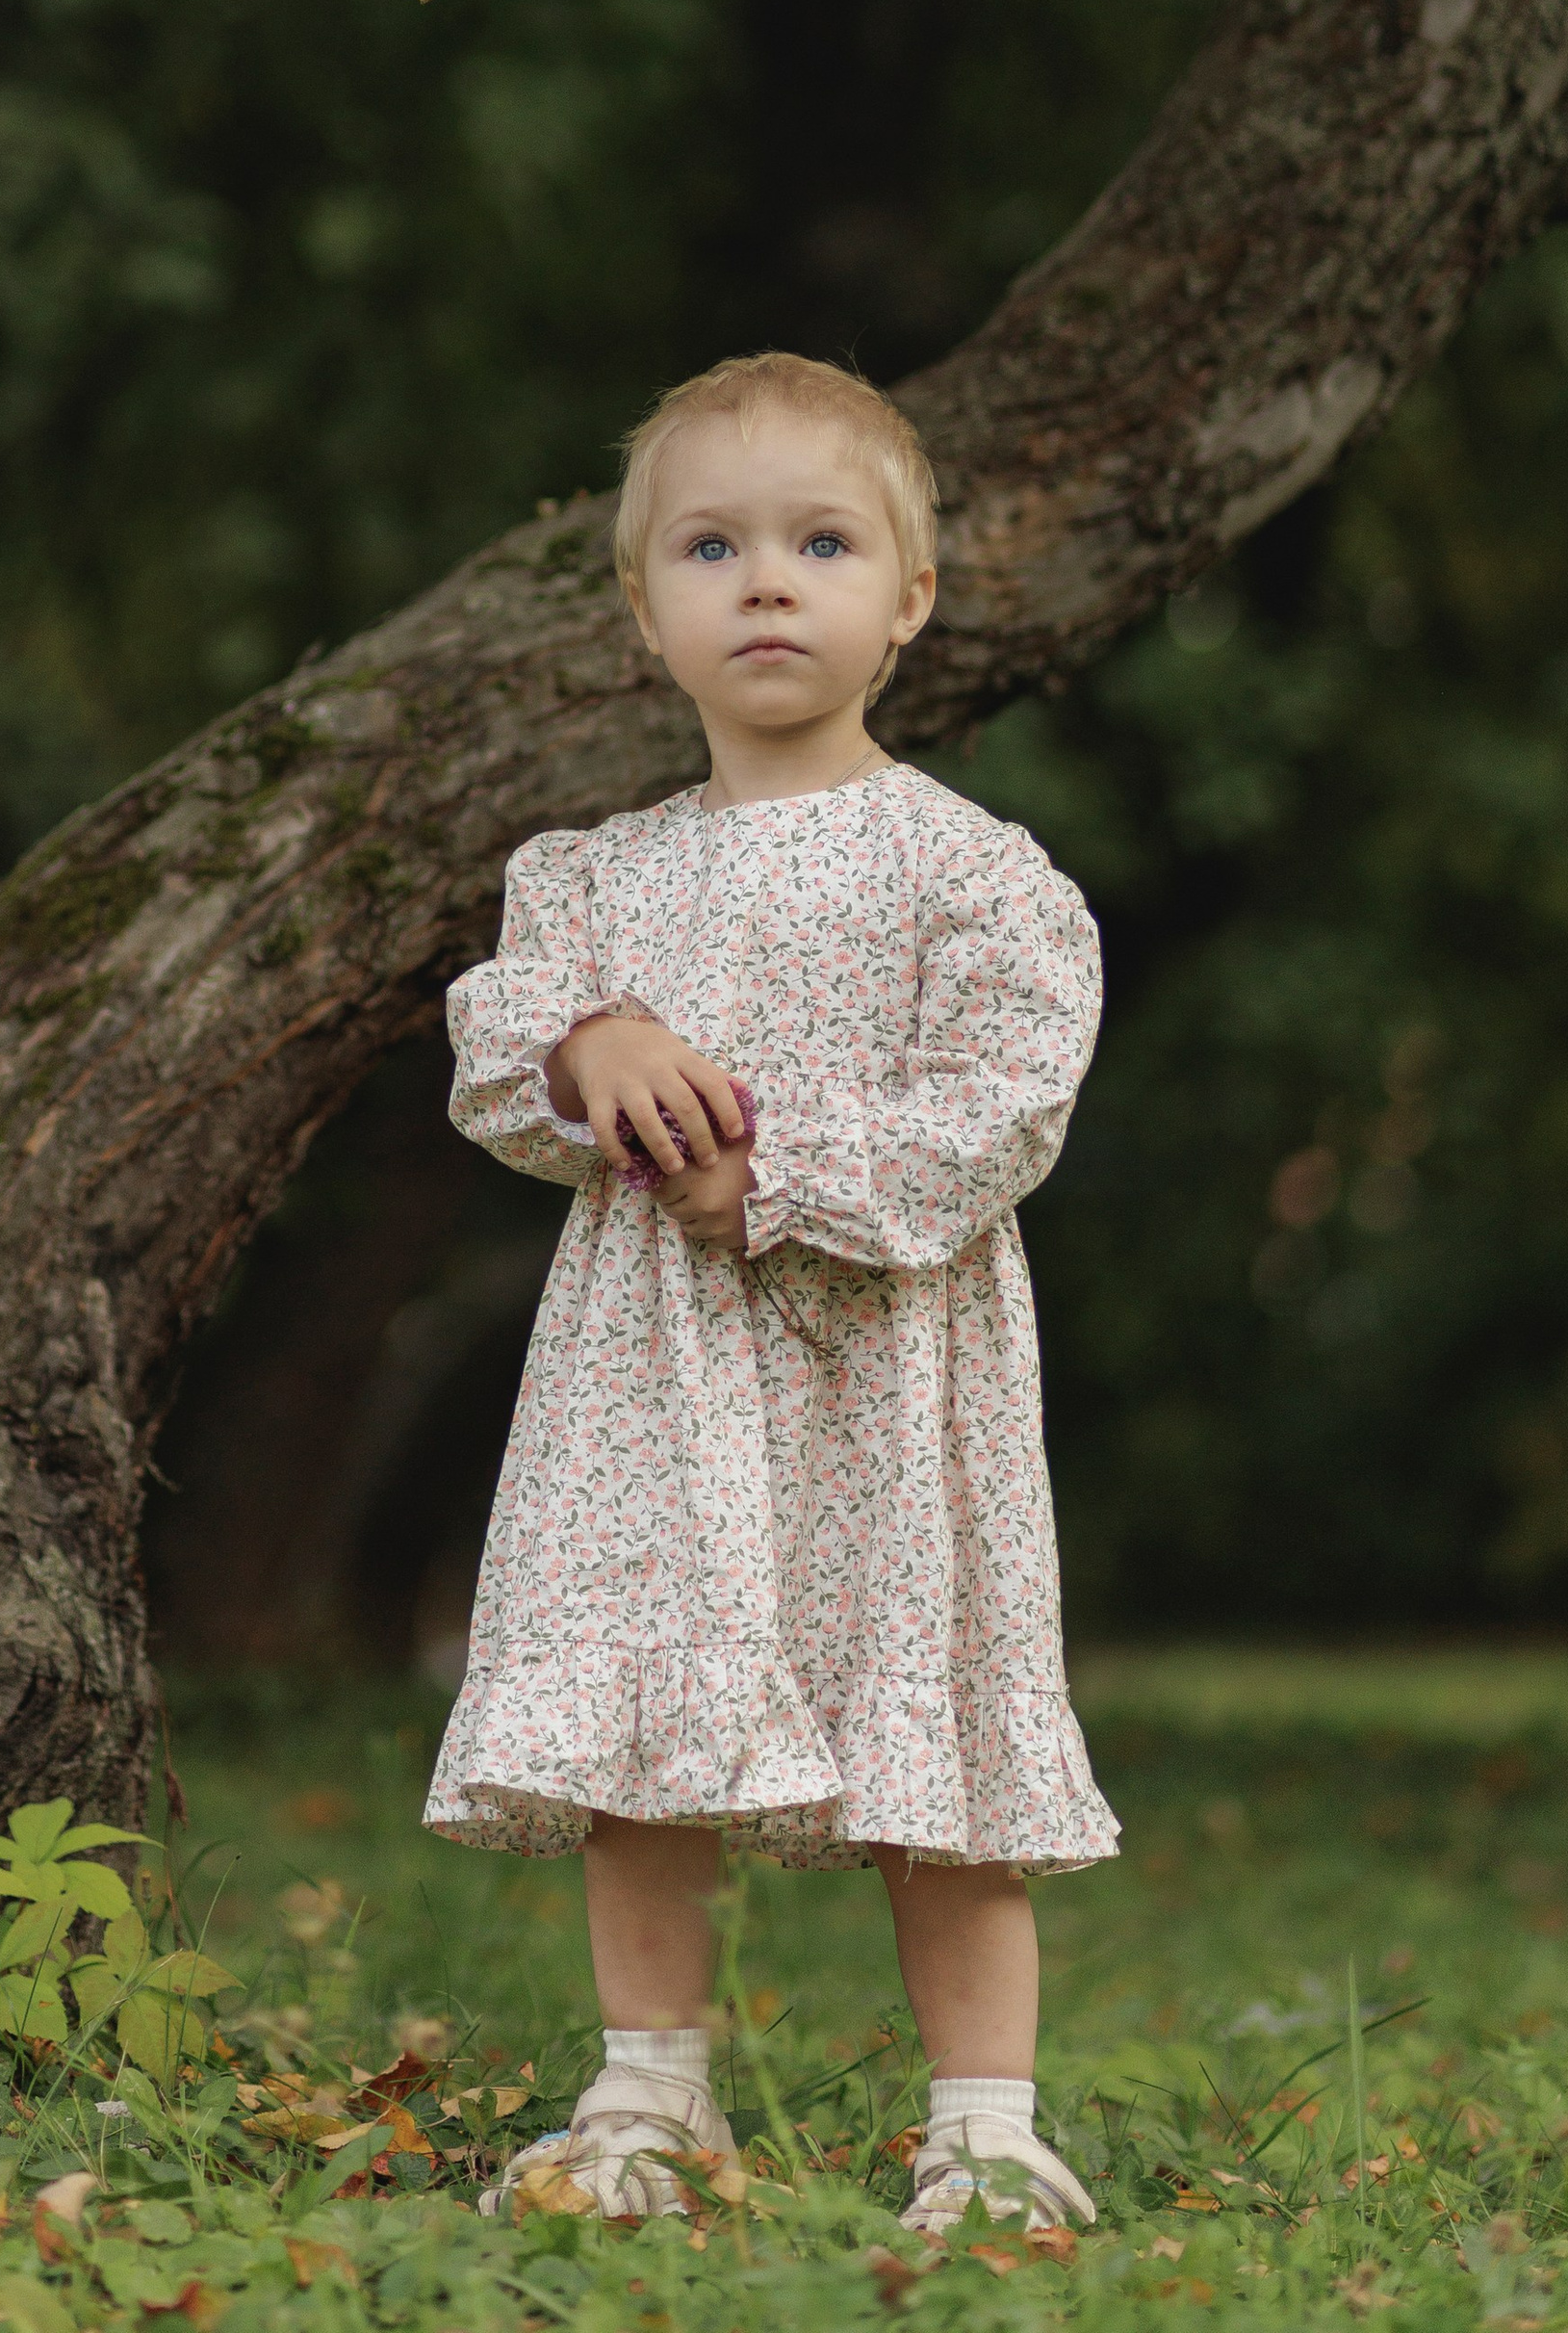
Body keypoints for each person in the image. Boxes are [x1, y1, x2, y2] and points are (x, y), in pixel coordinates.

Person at [424, 350, 1115, 2239]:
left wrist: (778, 1175)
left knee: (935, 1764)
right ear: (645, 611)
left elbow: (1007, 1105)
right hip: (652, 1386)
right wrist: (592, 1043)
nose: (763, 581)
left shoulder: (967, 872)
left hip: (886, 1375)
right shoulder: (587, 881)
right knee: (644, 1741)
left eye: (818, 542)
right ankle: (647, 2097)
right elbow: (493, 1055)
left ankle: (982, 2128)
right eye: (710, 546)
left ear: (904, 599)